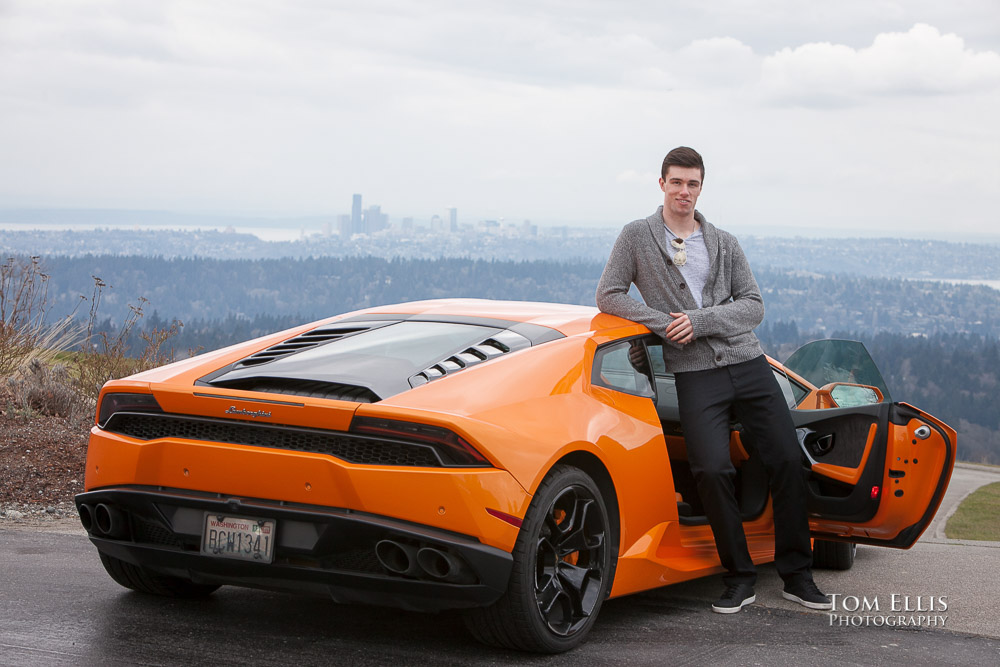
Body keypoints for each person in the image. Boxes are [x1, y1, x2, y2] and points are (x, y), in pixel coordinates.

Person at [595, 146, 833, 614]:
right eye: (677, 182)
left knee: (787, 459)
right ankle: (739, 576)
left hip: (747, 364)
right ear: (661, 183)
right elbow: (608, 294)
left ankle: (797, 575)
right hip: (694, 373)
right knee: (710, 470)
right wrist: (664, 322)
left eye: (693, 183)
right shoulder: (636, 236)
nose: (685, 191)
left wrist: (699, 321)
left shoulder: (722, 240)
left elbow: (753, 306)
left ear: (701, 187)